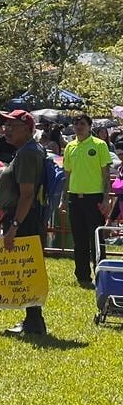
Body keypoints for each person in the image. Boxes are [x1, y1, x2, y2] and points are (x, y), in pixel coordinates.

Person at [0, 110, 48, 336]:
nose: (6, 129)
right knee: (25, 270)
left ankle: (34, 323)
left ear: (27, 129)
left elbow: (27, 195)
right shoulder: (26, 151)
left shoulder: (27, 153)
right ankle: (31, 321)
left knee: (27, 270)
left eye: (12, 125)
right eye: (5, 125)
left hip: (23, 219)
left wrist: (14, 226)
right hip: (23, 217)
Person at [60, 113, 112, 286]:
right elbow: (67, 175)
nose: (79, 127)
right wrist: (63, 197)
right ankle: (82, 276)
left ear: (90, 126)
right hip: (75, 198)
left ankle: (101, 274)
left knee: (96, 238)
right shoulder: (70, 147)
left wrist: (106, 199)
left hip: (94, 198)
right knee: (79, 239)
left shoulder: (99, 145)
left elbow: (106, 176)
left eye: (82, 123)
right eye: (76, 124)